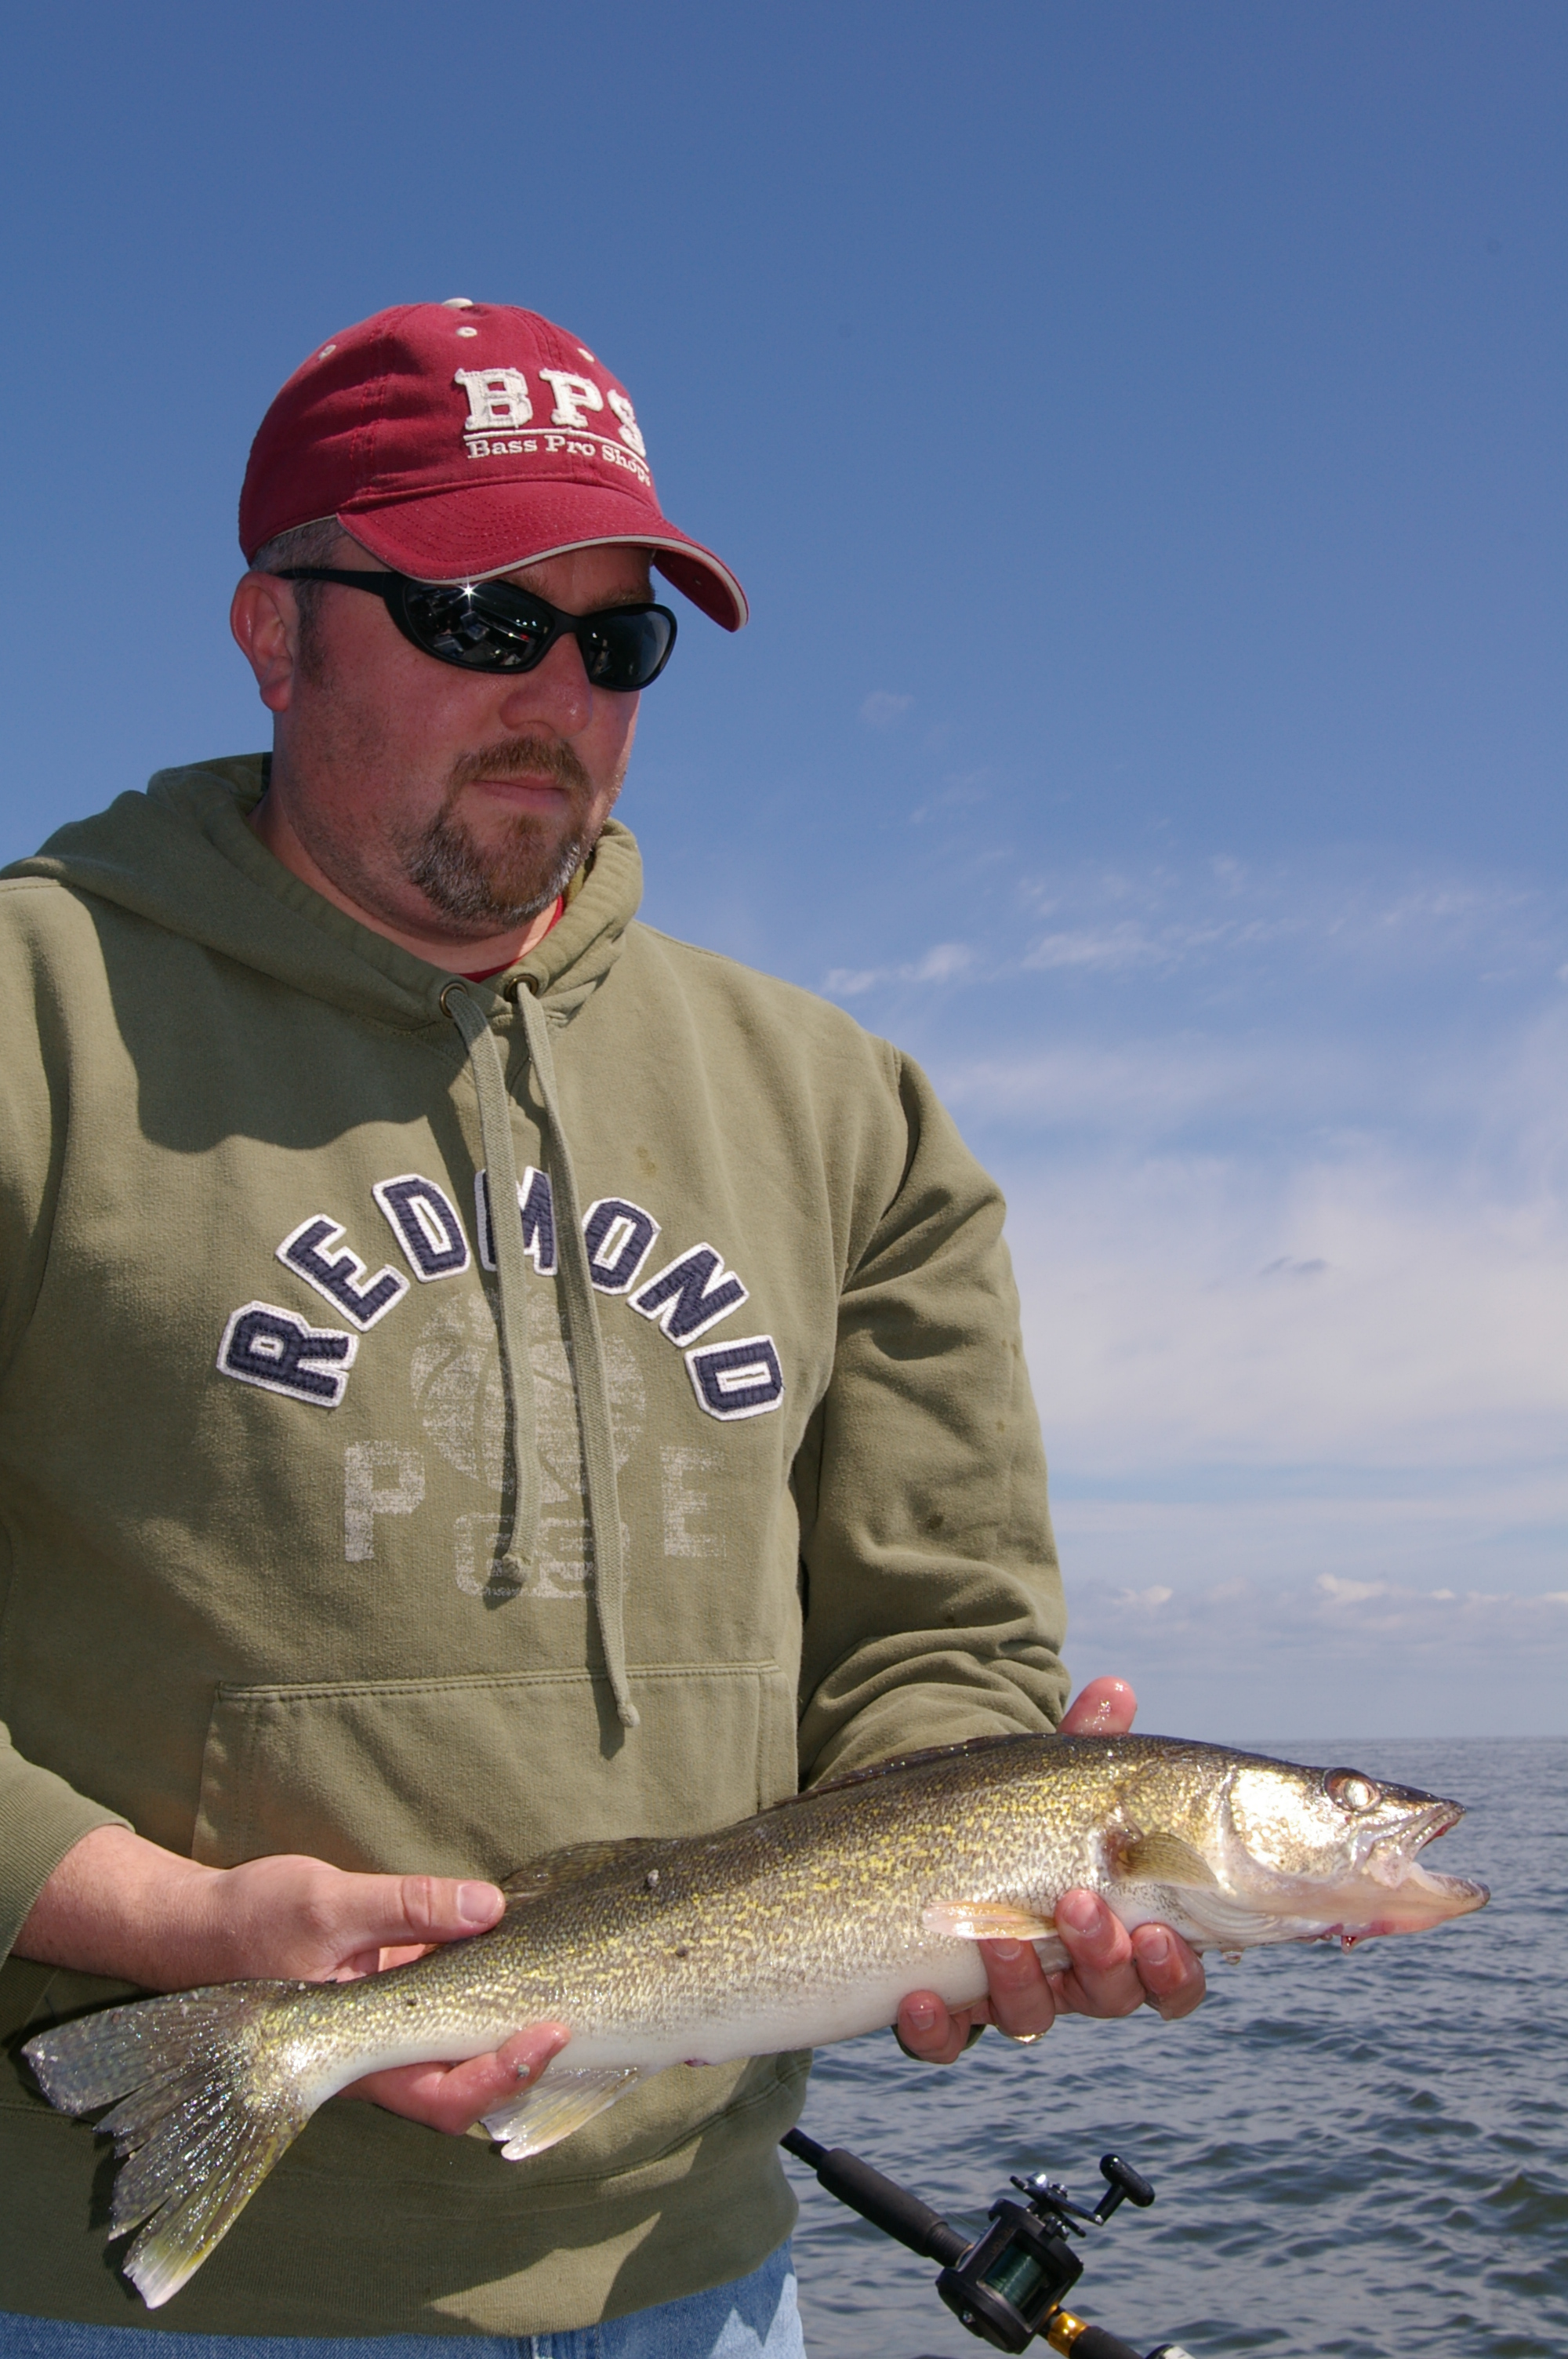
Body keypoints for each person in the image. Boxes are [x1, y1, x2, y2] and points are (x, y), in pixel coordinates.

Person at [0, 300, 1203, 2357]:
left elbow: (940, 1640)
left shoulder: (847, 1108)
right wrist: (168, 1925)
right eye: (481, 618)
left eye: (616, 639)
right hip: (139, 2310)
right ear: (274, 632)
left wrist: (988, 1884)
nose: (558, 691)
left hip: (709, 2281)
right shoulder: (34, 1026)